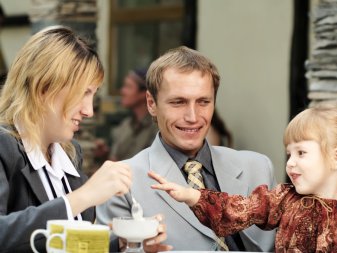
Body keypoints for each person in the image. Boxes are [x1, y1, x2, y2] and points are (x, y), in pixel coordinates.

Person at [0, 26, 170, 253]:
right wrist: (84, 196)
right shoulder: (4, 145)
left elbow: (64, 243)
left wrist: (122, 242)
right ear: (44, 87)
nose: (89, 110)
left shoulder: (69, 154)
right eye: (83, 93)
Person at [96, 46, 276, 251]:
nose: (192, 117)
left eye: (203, 102)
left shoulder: (259, 168)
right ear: (151, 104)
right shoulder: (122, 183)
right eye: (178, 102)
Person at [149, 105, 337, 252]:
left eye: (301, 153)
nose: (290, 163)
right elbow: (238, 209)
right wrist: (193, 195)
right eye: (289, 154)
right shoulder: (283, 199)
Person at [94, 68, 158, 162]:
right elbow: (115, 160)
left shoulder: (156, 128)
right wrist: (104, 153)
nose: (122, 91)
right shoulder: (125, 125)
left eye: (128, 87)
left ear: (144, 94)